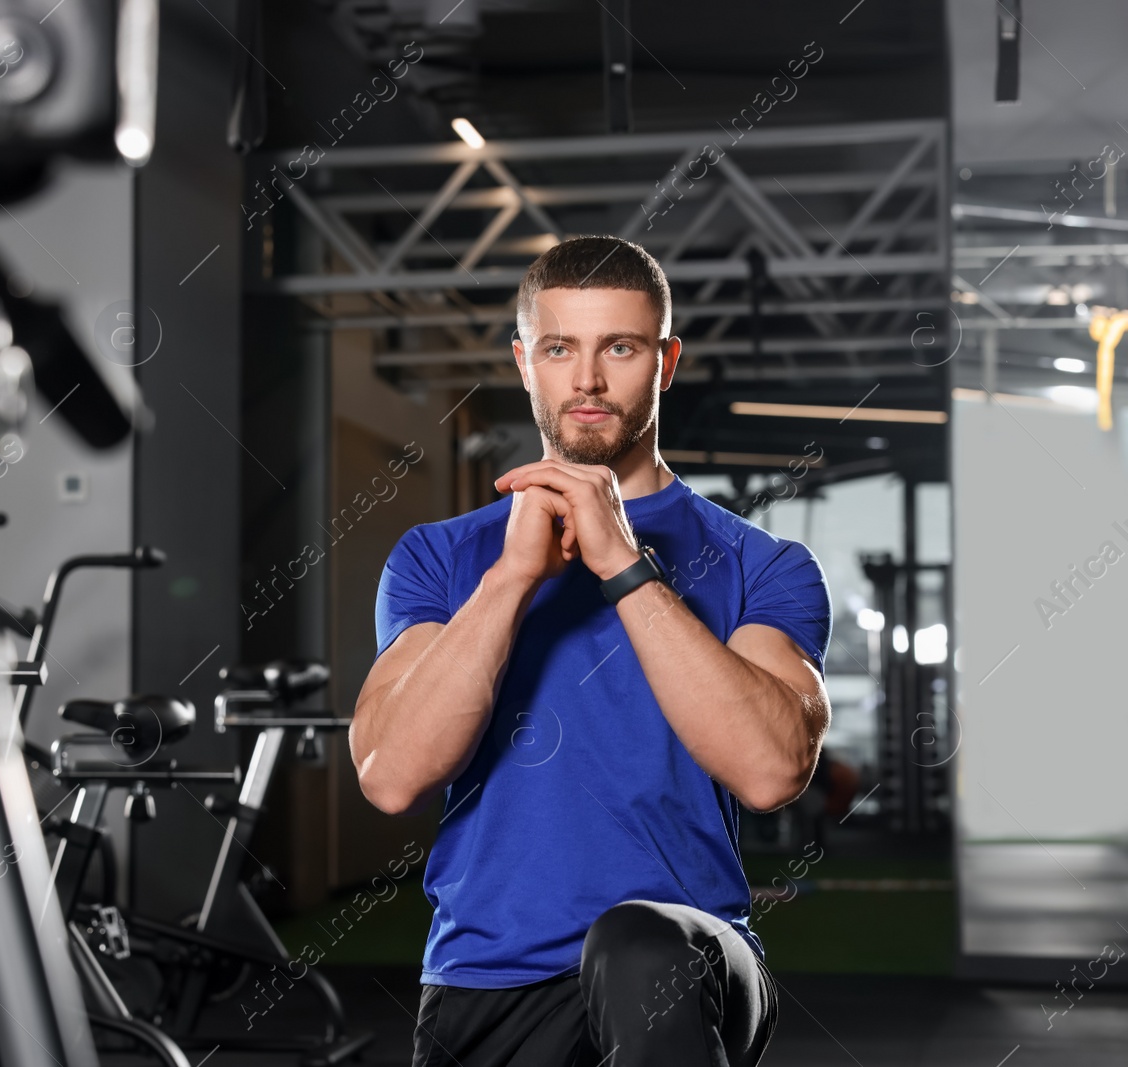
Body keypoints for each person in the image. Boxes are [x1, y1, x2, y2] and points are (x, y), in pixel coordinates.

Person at [349, 235, 833, 1067]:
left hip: (688, 960)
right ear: (524, 361)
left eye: (621, 346)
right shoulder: (440, 558)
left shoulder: (763, 564)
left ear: (666, 360)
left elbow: (770, 770)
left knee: (638, 944)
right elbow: (392, 774)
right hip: (486, 976)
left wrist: (622, 565)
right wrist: (510, 580)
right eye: (559, 348)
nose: (588, 380)